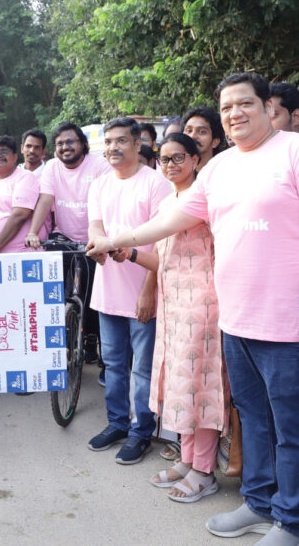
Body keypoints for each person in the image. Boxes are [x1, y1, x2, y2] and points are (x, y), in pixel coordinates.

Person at [86, 72, 299, 545]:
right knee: (257, 421)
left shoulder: (292, 152)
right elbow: (168, 221)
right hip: (235, 320)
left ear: (268, 106)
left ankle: (291, 519)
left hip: (288, 324)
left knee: (291, 428)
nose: (235, 113)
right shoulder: (220, 169)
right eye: (226, 107)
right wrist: (115, 240)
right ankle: (259, 504)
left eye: (245, 103)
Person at [117, 133, 228, 502]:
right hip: (173, 306)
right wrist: (129, 254)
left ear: (196, 160)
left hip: (203, 304)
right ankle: (188, 459)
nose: (171, 165)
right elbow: (162, 259)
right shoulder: (169, 201)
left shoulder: (206, 198)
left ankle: (204, 470)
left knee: (201, 384)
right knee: (181, 385)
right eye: (164, 159)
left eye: (179, 157)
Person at [86, 117, 171, 464]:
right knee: (115, 365)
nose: (113, 148)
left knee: (143, 369)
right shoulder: (99, 185)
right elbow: (95, 229)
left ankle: (141, 431)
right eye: (108, 142)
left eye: (121, 141)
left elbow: (163, 243)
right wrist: (100, 250)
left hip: (142, 292)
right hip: (108, 292)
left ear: (139, 145)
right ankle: (118, 423)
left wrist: (149, 290)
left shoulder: (156, 184)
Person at [26, 122, 112, 364]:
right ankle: (56, 339)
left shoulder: (99, 165)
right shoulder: (52, 168)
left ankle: (92, 340)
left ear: (82, 144)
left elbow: (107, 202)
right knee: (54, 292)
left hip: (93, 240)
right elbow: (45, 200)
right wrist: (33, 231)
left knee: (93, 296)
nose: (65, 147)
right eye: (60, 143)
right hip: (63, 237)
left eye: (70, 142)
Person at [182, 106, 226, 172]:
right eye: (189, 131)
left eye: (202, 132)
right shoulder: (175, 174)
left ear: (215, 142)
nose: (192, 136)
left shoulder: (223, 173)